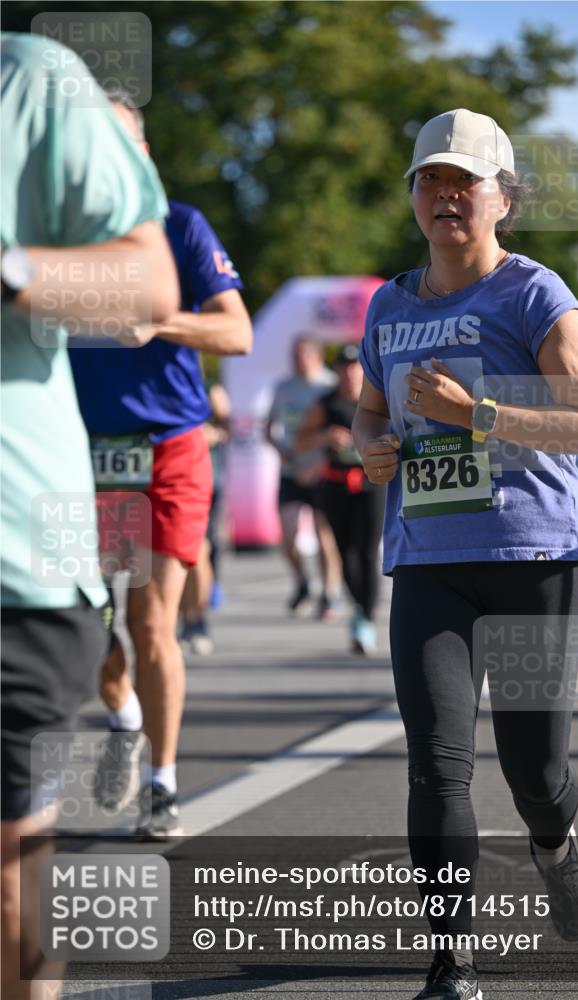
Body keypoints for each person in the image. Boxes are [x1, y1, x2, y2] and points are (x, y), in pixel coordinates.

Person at [351, 109, 578, 999]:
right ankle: (451, 960)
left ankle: (553, 842)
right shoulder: (388, 305)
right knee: (437, 762)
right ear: (414, 199)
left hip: (535, 554)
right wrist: (368, 445)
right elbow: (368, 409)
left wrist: (478, 414)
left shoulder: (535, 295)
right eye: (430, 179)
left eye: (465, 180)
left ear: (504, 197)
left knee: (533, 772)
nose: (446, 194)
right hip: (428, 558)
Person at [1, 33, 179, 1000]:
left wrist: (12, 267)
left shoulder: (28, 79)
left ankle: (153, 762)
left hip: (19, 551)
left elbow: (150, 289)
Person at [68, 88, 252, 838]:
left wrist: (159, 322)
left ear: (140, 153)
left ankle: (163, 782)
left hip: (167, 450)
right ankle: (121, 722)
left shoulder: (180, 227)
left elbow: (236, 334)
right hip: (81, 458)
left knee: (150, 622)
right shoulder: (59, 244)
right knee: (82, 628)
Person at [296, 343, 385, 653]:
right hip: (336, 486)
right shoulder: (326, 403)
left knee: (367, 553)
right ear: (336, 371)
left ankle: (366, 618)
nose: (350, 373)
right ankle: (358, 609)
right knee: (345, 554)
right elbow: (300, 439)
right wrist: (325, 436)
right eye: (344, 368)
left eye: (355, 367)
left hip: (372, 486)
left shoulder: (377, 401)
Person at [266, 334, 342, 619]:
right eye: (294, 355)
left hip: (323, 469)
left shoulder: (328, 385)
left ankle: (330, 594)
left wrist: (323, 459)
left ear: (316, 356)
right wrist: (279, 449)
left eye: (303, 354)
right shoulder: (283, 388)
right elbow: (268, 427)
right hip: (292, 468)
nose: (298, 360)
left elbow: (341, 430)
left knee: (325, 535)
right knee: (288, 534)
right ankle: (302, 581)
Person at [180, 382, 232, 655]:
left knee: (201, 549)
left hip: (204, 479)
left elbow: (228, 429)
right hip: (166, 477)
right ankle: (182, 617)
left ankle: (197, 620)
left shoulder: (211, 390)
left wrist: (214, 433)